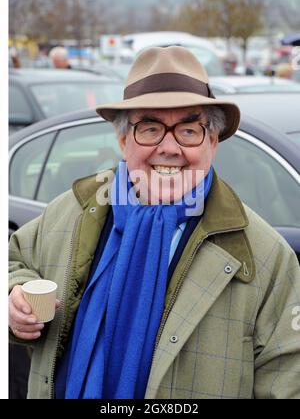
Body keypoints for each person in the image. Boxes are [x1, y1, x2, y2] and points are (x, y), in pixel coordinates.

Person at [9, 46, 300, 399]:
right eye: (150, 128)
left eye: (189, 130)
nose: (169, 147)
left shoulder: (266, 256)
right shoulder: (69, 212)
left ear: (212, 141)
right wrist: (16, 295)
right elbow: (13, 261)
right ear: (122, 140)